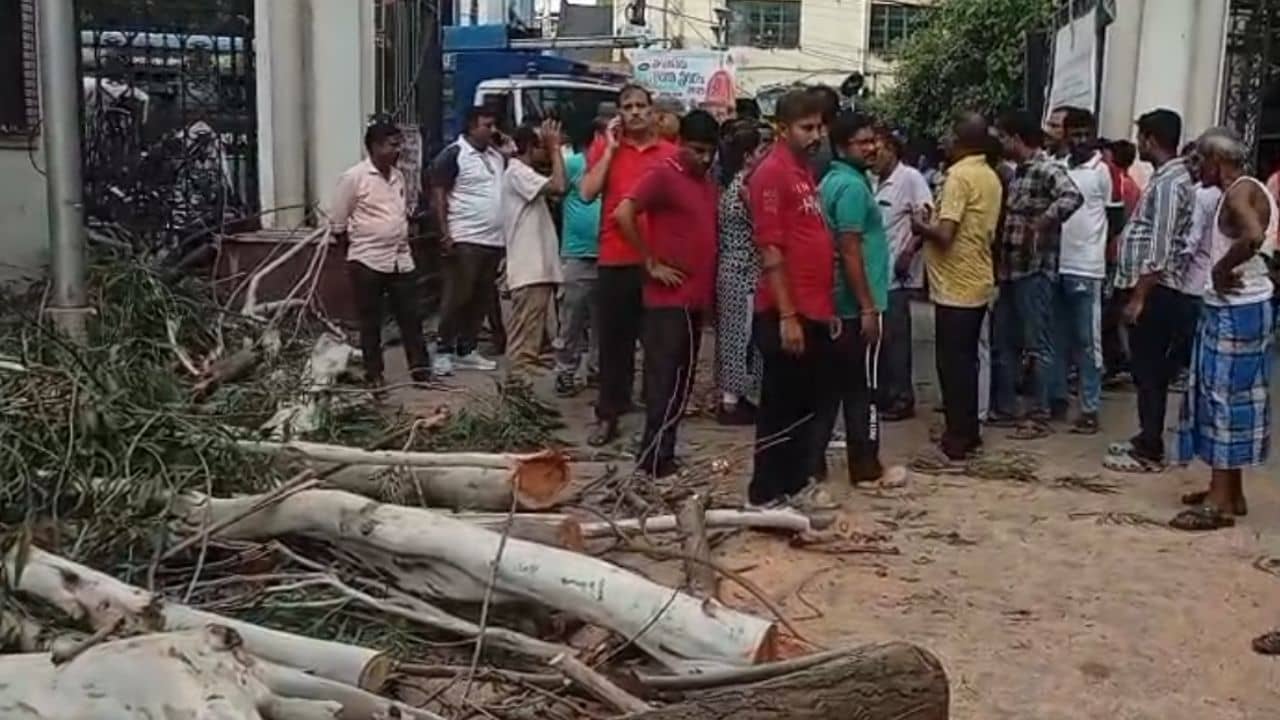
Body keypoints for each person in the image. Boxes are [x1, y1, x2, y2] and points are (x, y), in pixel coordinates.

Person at [1171, 129, 1275, 530]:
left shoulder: (1236, 193)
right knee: (1230, 396)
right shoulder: (1249, 189)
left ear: (1217, 161)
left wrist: (1219, 269)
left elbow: (1253, 236)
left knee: (1221, 399)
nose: (1197, 168)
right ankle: (1231, 492)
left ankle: (1219, 498)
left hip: (1236, 308)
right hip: (1245, 306)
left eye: (1201, 160)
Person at [613, 110, 721, 478]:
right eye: (697, 150)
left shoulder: (705, 182)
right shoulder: (663, 173)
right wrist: (650, 262)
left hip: (694, 299)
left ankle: (665, 452)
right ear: (681, 143)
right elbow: (623, 213)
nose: (704, 159)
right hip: (667, 301)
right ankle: (652, 456)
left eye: (710, 152)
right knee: (663, 381)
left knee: (683, 383)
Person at [746, 89, 836, 507]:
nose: (816, 135)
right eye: (807, 128)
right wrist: (787, 315)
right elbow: (771, 250)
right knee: (780, 408)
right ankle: (765, 494)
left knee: (805, 405)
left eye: (819, 127)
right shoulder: (771, 173)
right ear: (782, 129)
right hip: (786, 311)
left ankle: (796, 485)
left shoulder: (803, 172)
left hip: (812, 309)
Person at [580, 84, 678, 446]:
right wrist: (610, 150)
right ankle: (608, 415)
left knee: (657, 346)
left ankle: (655, 423)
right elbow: (587, 193)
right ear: (619, 113)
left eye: (641, 106)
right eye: (628, 107)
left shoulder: (670, 154)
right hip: (615, 258)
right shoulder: (606, 150)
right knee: (614, 345)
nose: (635, 112)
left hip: (659, 261)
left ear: (653, 111)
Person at [1103, 109, 1198, 473]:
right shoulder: (1165, 180)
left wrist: (1140, 296)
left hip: (1156, 290)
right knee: (1145, 369)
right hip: (1149, 286)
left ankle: (1150, 447)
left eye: (1141, 137)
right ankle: (1146, 437)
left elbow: (1159, 247)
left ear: (1151, 140)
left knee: (1150, 369)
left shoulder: (1172, 184)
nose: (1138, 143)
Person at [811, 112, 901, 486]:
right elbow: (849, 249)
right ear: (843, 146)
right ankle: (865, 466)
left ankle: (814, 463)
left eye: (873, 140)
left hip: (838, 303)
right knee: (862, 389)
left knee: (830, 390)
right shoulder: (850, 188)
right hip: (855, 305)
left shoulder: (833, 181)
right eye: (863, 142)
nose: (872, 147)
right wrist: (867, 306)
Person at [910, 112, 1003, 462]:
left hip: (957, 283)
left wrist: (920, 225)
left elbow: (946, 234)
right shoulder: (989, 175)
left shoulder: (960, 176)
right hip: (976, 277)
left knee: (952, 363)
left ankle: (958, 437)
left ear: (963, 141)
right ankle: (969, 432)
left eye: (950, 135)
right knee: (965, 362)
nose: (944, 142)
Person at [989, 110, 1083, 439]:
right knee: (1005, 341)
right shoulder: (1019, 173)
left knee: (1037, 343)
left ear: (1016, 138)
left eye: (1002, 137)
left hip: (1035, 269)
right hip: (1012, 271)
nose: (999, 144)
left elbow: (1073, 196)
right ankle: (1011, 408)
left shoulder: (1046, 169)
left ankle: (1039, 413)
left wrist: (1044, 222)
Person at [330, 120, 430, 387]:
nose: (398, 150)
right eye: (392, 145)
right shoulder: (354, 177)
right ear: (374, 147)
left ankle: (421, 372)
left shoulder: (397, 177)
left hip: (400, 259)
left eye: (399, 145)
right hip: (367, 260)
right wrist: (352, 254)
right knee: (370, 321)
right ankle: (374, 374)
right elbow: (339, 221)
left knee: (411, 317)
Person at [1047, 108, 1113, 434]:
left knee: (1088, 343)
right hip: (1056, 263)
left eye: (1086, 134)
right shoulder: (1056, 168)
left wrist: (1103, 258)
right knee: (1056, 338)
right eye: (1074, 134)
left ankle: (1090, 407)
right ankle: (1057, 400)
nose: (1080, 140)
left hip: (1087, 267)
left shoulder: (1102, 171)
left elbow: (1115, 221)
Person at [430, 105, 505, 375]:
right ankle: (443, 350)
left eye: (494, 125)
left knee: (481, 297)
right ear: (472, 127)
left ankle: (467, 348)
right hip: (465, 237)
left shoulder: (496, 157)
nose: (493, 130)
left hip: (493, 240)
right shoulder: (455, 154)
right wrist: (444, 232)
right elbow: (438, 193)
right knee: (457, 295)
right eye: (487, 125)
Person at [873, 125, 934, 420]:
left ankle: (902, 397)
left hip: (896, 273)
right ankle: (884, 393)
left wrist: (909, 251)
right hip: (874, 271)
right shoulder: (871, 180)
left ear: (892, 149)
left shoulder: (910, 178)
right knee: (880, 339)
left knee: (897, 338)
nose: (873, 153)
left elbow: (925, 216)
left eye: (879, 148)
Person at [500, 120, 566, 378]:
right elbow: (559, 186)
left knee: (530, 333)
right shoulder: (518, 172)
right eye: (542, 146)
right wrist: (556, 148)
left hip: (536, 266)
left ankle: (521, 381)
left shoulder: (524, 174)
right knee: (523, 344)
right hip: (529, 266)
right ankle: (517, 386)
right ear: (530, 147)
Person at [715, 120, 770, 425]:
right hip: (742, 271)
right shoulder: (744, 189)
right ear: (748, 156)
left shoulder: (734, 184)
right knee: (741, 336)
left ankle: (735, 398)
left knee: (739, 334)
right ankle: (732, 401)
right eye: (762, 149)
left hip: (737, 269)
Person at [553, 119, 605, 397]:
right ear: (596, 136)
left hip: (607, 255)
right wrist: (553, 150)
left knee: (603, 321)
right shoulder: (574, 163)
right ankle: (565, 371)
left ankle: (596, 370)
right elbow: (559, 188)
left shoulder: (612, 164)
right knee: (571, 318)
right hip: (577, 254)